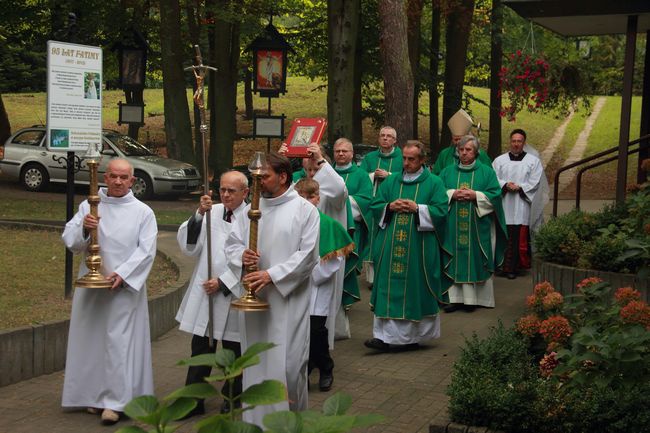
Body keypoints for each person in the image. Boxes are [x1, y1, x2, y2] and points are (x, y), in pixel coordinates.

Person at [223, 152, 320, 427]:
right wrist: (240, 256)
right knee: (256, 366)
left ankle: (291, 424)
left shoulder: (305, 210)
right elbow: (231, 244)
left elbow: (308, 255)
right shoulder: (249, 210)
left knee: (288, 367)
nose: (258, 182)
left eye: (263, 177)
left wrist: (272, 275)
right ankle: (255, 424)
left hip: (288, 301)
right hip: (255, 303)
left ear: (283, 176)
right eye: (255, 177)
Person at [61, 159, 157, 425]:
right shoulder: (90, 204)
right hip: (92, 284)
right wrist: (84, 227)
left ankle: (116, 401)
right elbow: (71, 241)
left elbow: (146, 250)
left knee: (119, 343)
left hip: (123, 287)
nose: (117, 181)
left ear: (132, 180)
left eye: (123, 177)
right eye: (113, 176)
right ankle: (94, 395)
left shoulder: (143, 212)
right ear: (105, 177)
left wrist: (124, 274)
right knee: (91, 340)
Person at [175, 171, 249, 417]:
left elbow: (251, 258)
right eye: (223, 190)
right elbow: (190, 246)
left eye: (232, 191)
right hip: (205, 290)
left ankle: (232, 395)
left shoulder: (253, 218)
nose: (225, 195)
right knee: (201, 348)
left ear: (245, 193)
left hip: (232, 292)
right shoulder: (212, 211)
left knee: (232, 349)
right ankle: (193, 401)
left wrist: (224, 283)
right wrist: (198, 214)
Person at [364, 141, 448, 352]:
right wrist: (389, 207)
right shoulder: (391, 182)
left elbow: (441, 211)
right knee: (386, 286)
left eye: (412, 159)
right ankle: (383, 336)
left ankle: (412, 337)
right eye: (404, 158)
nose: (407, 163)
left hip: (418, 248)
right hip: (390, 246)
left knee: (414, 288)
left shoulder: (434, 182)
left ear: (422, 160)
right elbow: (375, 205)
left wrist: (418, 208)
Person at [295, 178, 354, 392]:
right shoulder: (292, 223)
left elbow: (335, 261)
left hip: (317, 286)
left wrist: (304, 272)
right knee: (300, 330)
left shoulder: (329, 225)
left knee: (316, 330)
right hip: (293, 286)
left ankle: (325, 367)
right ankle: (309, 366)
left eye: (310, 197)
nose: (306, 201)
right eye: (300, 197)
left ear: (317, 198)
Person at [439, 135, 507, 312]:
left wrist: (475, 196)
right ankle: (454, 299)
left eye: (468, 150)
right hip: (453, 226)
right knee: (453, 258)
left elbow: (496, 195)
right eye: (461, 150)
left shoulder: (487, 172)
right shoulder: (447, 172)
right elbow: (437, 194)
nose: (464, 153)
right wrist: (451, 194)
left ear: (476, 152)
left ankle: (473, 300)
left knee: (475, 259)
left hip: (477, 226)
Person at [492, 129, 545, 279]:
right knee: (503, 235)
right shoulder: (499, 160)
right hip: (504, 203)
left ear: (524, 143)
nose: (516, 144)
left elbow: (535, 181)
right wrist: (505, 184)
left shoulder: (533, 161)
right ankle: (501, 266)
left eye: (519, 141)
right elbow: (493, 178)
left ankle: (514, 268)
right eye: (513, 141)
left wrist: (520, 187)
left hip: (521, 204)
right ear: (510, 142)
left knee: (517, 237)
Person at [359, 126, 403, 286]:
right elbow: (361, 176)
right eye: (382, 135)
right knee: (372, 239)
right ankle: (372, 279)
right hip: (373, 204)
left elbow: (408, 175)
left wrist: (389, 175)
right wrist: (373, 175)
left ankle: (388, 275)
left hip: (393, 204)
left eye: (389, 136)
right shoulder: (370, 157)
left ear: (395, 140)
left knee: (389, 238)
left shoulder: (402, 157)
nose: (385, 138)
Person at [332, 138, 373, 309]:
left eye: (345, 151)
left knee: (345, 265)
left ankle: (344, 299)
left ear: (352, 154)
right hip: (327, 228)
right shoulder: (326, 172)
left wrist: (342, 202)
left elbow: (366, 200)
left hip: (350, 229)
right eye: (337, 151)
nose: (341, 154)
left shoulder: (361, 175)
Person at [433, 109, 492, 175]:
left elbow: (489, 175)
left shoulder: (481, 154)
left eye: (460, 139)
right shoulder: (445, 154)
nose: (458, 142)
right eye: (455, 139)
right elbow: (436, 176)